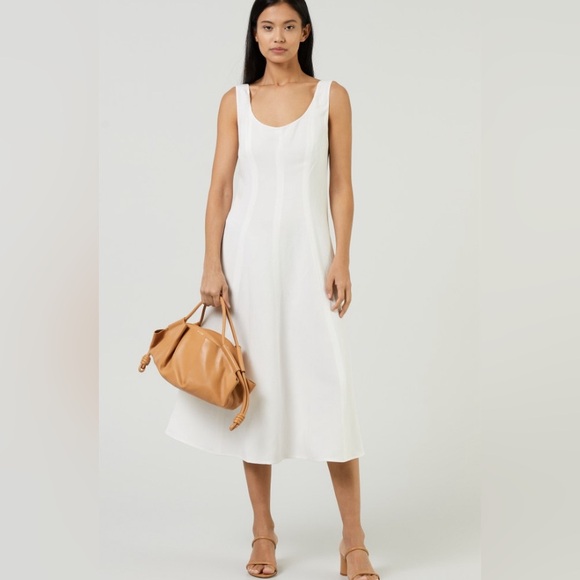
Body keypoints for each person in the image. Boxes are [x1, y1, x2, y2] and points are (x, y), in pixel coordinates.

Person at [164, 1, 380, 578]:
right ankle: (263, 532)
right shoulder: (235, 101)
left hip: (310, 262)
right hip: (247, 264)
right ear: (255, 35)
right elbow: (219, 189)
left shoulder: (331, 96)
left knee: (331, 391)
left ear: (305, 32)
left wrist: (342, 257)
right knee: (252, 395)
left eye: (288, 26)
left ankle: (353, 539)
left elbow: (341, 184)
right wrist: (211, 264)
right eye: (267, 27)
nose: (277, 36)